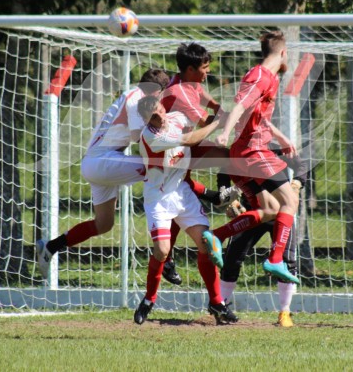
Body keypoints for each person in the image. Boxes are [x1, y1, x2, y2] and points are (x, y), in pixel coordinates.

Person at [35, 68, 170, 279]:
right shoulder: (136, 99)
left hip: (98, 162)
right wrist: (157, 123)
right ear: (156, 92)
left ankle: (50, 247)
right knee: (161, 167)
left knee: (104, 224)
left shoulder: (133, 95)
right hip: (103, 161)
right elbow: (136, 137)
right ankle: (167, 259)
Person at [132, 95, 234, 325]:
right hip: (158, 197)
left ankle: (217, 303)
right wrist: (217, 123)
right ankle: (148, 300)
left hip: (183, 193)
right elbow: (189, 139)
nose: (159, 117)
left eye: (159, 111)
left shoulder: (177, 117)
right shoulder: (150, 136)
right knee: (162, 249)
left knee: (205, 244)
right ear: (145, 119)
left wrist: (224, 116)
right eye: (153, 116)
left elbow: (198, 119)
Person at [215, 30, 300, 284]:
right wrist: (225, 134)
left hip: (248, 153)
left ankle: (217, 235)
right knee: (290, 201)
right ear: (283, 53)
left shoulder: (269, 78)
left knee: (270, 209)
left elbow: (258, 117)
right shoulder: (260, 76)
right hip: (252, 151)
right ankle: (276, 260)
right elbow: (239, 107)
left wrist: (282, 138)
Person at [159, 42, 240, 285]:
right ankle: (165, 259)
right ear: (191, 68)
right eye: (204, 67)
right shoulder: (177, 93)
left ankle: (224, 194)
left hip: (184, 147)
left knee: (225, 155)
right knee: (178, 200)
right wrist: (226, 120)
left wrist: (220, 108)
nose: (208, 72)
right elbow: (205, 122)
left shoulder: (190, 82)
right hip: (167, 153)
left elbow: (209, 101)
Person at [220, 177, 303, 327]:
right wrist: (229, 200)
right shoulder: (244, 153)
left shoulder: (284, 153)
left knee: (287, 261)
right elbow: (226, 166)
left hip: (282, 213)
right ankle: (221, 307)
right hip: (253, 211)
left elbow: (303, 160)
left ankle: (285, 312)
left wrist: (297, 182)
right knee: (231, 258)